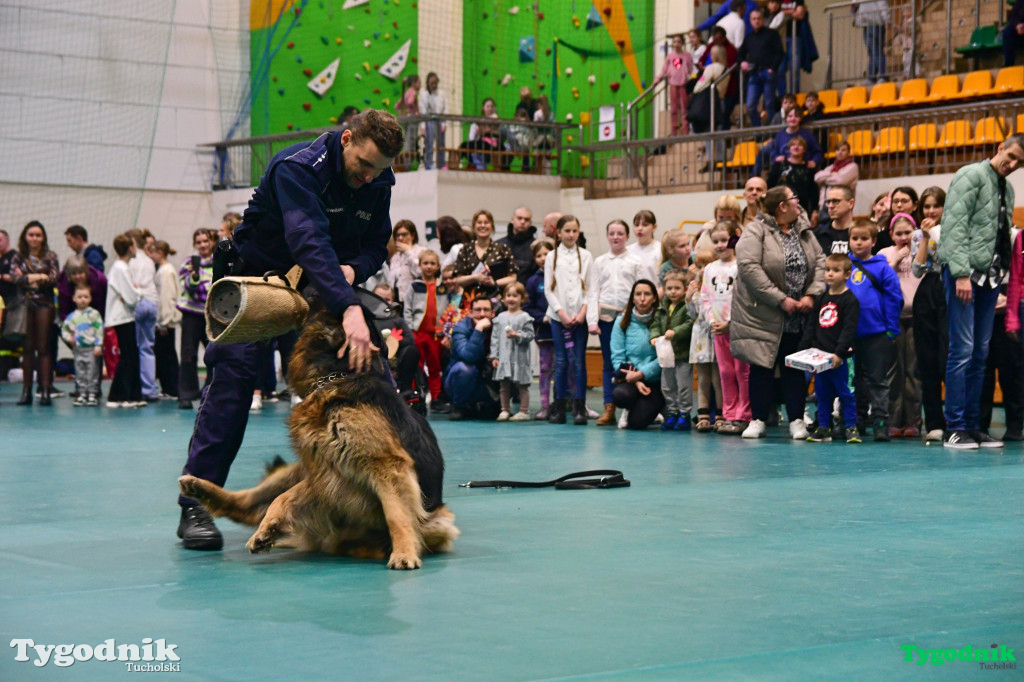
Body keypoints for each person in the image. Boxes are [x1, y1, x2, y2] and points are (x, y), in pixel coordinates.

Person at [175, 109, 404, 551]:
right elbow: (308, 240)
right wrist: (349, 308)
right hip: (259, 286)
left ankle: (401, 490)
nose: (369, 178)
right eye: (363, 165)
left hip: (321, 286)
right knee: (233, 386)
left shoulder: (378, 177)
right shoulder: (296, 168)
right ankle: (196, 504)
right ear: (346, 139)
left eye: (380, 170)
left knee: (369, 375)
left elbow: (376, 244)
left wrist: (353, 272)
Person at [938, 135, 1024, 449]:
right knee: (962, 350)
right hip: (965, 274)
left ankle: (973, 426)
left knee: (980, 353)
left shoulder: (1008, 187)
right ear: (1000, 147)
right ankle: (955, 427)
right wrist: (960, 274)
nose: (1012, 165)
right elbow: (954, 226)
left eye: (1019, 163)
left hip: (989, 279)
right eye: (1010, 157)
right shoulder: (970, 174)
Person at [730, 186, 825, 439]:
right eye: (794, 198)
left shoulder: (802, 230)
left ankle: (796, 421)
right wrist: (780, 299)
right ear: (782, 206)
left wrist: (810, 295)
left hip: (798, 314)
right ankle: (757, 419)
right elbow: (749, 268)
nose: (798, 202)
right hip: (763, 313)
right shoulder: (755, 230)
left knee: (794, 367)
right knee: (762, 366)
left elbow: (821, 262)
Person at [847, 219, 903, 442]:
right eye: (854, 238)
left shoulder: (882, 268)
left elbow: (894, 299)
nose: (858, 243)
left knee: (878, 380)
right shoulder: (844, 266)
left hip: (877, 334)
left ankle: (880, 422)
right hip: (849, 335)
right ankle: (856, 420)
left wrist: (891, 329)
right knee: (853, 380)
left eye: (863, 239)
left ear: (873, 241)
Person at [589, 220, 644, 426]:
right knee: (608, 362)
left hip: (629, 319)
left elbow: (641, 290)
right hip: (606, 319)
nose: (615, 237)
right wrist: (592, 321)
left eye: (620, 233)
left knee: (632, 361)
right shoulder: (600, 262)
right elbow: (593, 292)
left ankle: (633, 407)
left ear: (627, 236)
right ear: (607, 236)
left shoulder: (635, 262)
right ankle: (609, 406)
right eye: (611, 233)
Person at [802, 254, 861, 443]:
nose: (830, 274)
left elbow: (849, 329)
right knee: (822, 394)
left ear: (846, 274)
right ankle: (823, 427)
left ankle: (851, 427)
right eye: (827, 270)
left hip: (842, 358)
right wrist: (804, 347)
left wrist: (839, 353)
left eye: (835, 271)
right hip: (821, 358)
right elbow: (812, 324)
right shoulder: (821, 299)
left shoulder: (850, 300)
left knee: (847, 393)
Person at [701, 221, 750, 434]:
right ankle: (729, 414)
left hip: (738, 329)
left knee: (742, 371)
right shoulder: (710, 269)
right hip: (717, 329)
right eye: (716, 241)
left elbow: (745, 299)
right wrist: (712, 321)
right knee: (726, 372)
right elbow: (705, 297)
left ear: (735, 238)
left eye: (724, 240)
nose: (720, 245)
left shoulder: (741, 267)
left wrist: (731, 322)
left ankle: (744, 414)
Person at [545, 215, 594, 425]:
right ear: (558, 232)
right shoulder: (551, 257)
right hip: (559, 317)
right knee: (562, 361)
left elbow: (591, 288)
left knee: (579, 362)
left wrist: (583, 312)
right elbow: (548, 289)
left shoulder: (586, 256)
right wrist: (561, 313)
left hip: (580, 318)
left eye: (575, 231)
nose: (571, 235)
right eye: (567, 231)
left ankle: (579, 406)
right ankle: (559, 407)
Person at [879, 214, 922, 438]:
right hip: (892, 319)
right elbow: (877, 278)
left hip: (916, 318)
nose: (904, 237)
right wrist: (896, 261)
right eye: (899, 234)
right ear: (891, 235)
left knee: (913, 371)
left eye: (908, 233)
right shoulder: (884, 254)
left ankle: (914, 421)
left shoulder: (921, 250)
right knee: (894, 372)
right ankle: (893, 420)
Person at [910, 186, 947, 442]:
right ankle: (934, 422)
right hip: (927, 291)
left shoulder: (954, 229)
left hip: (951, 288)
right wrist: (925, 236)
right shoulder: (916, 235)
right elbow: (916, 269)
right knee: (928, 360)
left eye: (936, 205)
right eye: (927, 206)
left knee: (948, 358)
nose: (931, 211)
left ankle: (958, 419)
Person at [10, 221, 59, 406]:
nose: (34, 238)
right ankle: (26, 392)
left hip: (45, 305)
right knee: (28, 349)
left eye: (38, 235)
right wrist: (39, 277)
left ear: (43, 237)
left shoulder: (51, 256)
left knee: (44, 348)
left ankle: (45, 390)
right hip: (24, 305)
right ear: (25, 236)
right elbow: (15, 278)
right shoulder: (18, 257)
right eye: (31, 235)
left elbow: (53, 278)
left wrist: (28, 277)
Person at [611, 280, 665, 430]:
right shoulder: (621, 322)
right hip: (631, 379)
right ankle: (629, 408)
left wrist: (642, 374)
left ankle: (657, 409)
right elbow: (617, 358)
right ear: (632, 298)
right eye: (638, 294)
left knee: (637, 423)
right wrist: (636, 380)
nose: (642, 299)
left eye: (647, 294)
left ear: (654, 298)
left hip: (655, 381)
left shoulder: (662, 321)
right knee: (620, 395)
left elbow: (664, 357)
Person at [404, 249, 450, 411]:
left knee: (435, 366)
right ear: (420, 265)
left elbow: (449, 309)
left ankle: (436, 398)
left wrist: (445, 330)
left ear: (438, 266)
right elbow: (407, 308)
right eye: (425, 263)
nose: (429, 267)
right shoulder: (415, 286)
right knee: (415, 365)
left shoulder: (443, 287)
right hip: (418, 332)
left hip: (435, 335)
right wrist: (410, 327)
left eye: (432, 263)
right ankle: (415, 396)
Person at [176, 228, 215, 410]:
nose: (203, 245)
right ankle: (186, 394)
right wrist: (194, 276)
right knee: (188, 354)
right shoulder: (188, 264)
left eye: (205, 241)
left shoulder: (219, 261)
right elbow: (189, 287)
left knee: (213, 354)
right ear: (195, 245)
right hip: (192, 315)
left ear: (212, 242)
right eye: (199, 242)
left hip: (212, 315)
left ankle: (210, 391)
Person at [651, 269, 695, 430]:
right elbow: (655, 325)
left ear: (684, 289)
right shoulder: (663, 307)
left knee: (683, 386)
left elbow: (690, 324)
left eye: (677, 288)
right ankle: (672, 412)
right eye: (669, 288)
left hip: (682, 354)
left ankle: (684, 413)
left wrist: (675, 332)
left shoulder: (686, 307)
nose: (672, 292)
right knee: (667, 386)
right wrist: (654, 337)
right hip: (666, 356)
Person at [445, 295, 499, 420]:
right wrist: (478, 329)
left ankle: (493, 404)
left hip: (486, 380)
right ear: (470, 313)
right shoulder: (460, 328)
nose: (482, 314)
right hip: (460, 381)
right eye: (478, 310)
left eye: (486, 310)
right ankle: (460, 406)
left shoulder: (499, 327)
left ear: (493, 313)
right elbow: (468, 357)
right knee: (465, 369)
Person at [105, 233, 143, 409]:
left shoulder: (122, 267)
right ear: (130, 248)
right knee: (128, 357)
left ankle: (132, 395)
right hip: (121, 318)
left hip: (126, 317)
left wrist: (135, 292)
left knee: (131, 355)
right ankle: (119, 396)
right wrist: (138, 293)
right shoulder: (120, 268)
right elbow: (131, 297)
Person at [689, 249, 724, 431]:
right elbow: (692, 314)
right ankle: (702, 414)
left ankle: (720, 413)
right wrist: (689, 298)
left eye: (706, 265)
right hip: (701, 337)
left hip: (716, 333)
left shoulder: (718, 287)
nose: (702, 270)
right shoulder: (695, 288)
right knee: (703, 378)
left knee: (718, 378)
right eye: (699, 266)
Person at [453, 209, 518, 306]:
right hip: (470, 302)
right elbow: (459, 279)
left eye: (486, 222)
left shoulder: (502, 249)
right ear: (474, 226)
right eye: (479, 222)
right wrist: (476, 277)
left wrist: (494, 282)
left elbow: (513, 278)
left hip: (496, 301)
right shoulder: (465, 250)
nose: (482, 225)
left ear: (492, 226)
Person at [490, 282, 535, 421]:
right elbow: (495, 338)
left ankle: (524, 411)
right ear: (503, 298)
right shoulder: (500, 318)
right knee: (504, 385)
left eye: (515, 296)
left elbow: (530, 335)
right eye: (508, 295)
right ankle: (504, 410)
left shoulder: (525, 317)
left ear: (522, 298)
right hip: (504, 356)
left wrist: (517, 335)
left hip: (519, 357)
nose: (511, 299)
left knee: (522, 385)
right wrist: (494, 356)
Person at [126, 229, 159, 402]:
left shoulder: (129, 261)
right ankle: (149, 389)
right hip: (152, 303)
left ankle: (135, 388)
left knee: (133, 348)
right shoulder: (149, 260)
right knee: (147, 348)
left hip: (138, 303)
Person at [525, 238, 555, 420]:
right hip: (544, 332)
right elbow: (528, 306)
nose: (543, 258)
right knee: (545, 368)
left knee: (567, 367)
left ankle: (568, 402)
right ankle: (545, 405)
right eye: (539, 255)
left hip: (565, 328)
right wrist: (542, 317)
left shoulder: (562, 276)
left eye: (546, 254)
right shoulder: (533, 281)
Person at [739, 7, 783, 128]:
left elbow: (780, 52)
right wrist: (742, 62)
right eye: (754, 19)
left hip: (768, 73)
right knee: (750, 105)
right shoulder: (748, 38)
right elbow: (740, 54)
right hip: (754, 74)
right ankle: (758, 130)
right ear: (750, 20)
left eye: (759, 19)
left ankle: (770, 131)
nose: (756, 21)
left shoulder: (772, 34)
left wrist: (772, 68)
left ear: (763, 20)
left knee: (769, 104)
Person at [148, 240, 181, 400]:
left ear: (159, 253)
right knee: (164, 355)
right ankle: (169, 387)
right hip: (163, 321)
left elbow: (167, 298)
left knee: (167, 356)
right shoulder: (163, 270)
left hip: (166, 322)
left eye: (152, 252)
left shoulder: (165, 271)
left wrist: (164, 321)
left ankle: (173, 388)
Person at [61, 286, 104, 406]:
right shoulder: (71, 317)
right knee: (80, 372)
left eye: (86, 297)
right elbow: (64, 329)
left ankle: (92, 393)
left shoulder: (94, 314)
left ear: (90, 298)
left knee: (92, 372)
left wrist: (98, 345)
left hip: (91, 349)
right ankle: (82, 393)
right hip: (78, 350)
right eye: (80, 297)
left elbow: (99, 329)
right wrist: (69, 338)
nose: (83, 300)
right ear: (74, 299)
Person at [768, 136, 818, 215]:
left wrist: (815, 211)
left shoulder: (809, 167)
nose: (796, 147)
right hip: (780, 208)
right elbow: (770, 184)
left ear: (804, 149)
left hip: (802, 209)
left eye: (800, 145)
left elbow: (814, 191)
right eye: (793, 145)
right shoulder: (779, 164)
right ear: (789, 149)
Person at [656, 34, 694, 136]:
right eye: (675, 42)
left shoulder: (687, 56)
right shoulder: (670, 56)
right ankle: (674, 131)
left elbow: (690, 70)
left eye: (679, 42)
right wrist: (657, 79)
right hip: (673, 84)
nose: (676, 44)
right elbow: (664, 70)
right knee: (673, 109)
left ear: (682, 43)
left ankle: (686, 130)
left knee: (684, 108)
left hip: (683, 85)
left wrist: (688, 78)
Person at [814, 142, 858, 224]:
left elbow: (840, 181)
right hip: (825, 204)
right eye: (838, 150)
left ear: (848, 153)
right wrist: (832, 175)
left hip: (842, 205)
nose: (840, 152)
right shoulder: (831, 167)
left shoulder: (852, 166)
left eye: (843, 150)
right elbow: (817, 177)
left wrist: (826, 178)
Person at [496, 206, 538, 285]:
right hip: (501, 293)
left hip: (526, 293)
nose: (522, 222)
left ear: (530, 222)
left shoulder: (535, 247)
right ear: (512, 219)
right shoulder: (499, 245)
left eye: (526, 219)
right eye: (519, 218)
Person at [388, 220, 424, 302]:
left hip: (414, 299)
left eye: (404, 234)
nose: (400, 238)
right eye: (398, 235)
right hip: (396, 299)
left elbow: (420, 273)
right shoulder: (395, 257)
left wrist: (409, 252)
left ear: (413, 235)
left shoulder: (421, 251)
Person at [853, 0, 889, 84]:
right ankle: (871, 77)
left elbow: (883, 4)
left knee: (876, 50)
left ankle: (882, 76)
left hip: (875, 22)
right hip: (866, 23)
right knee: (871, 51)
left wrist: (887, 19)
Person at [460, 98, 500, 170]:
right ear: (483, 108)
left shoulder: (494, 117)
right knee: (464, 145)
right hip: (481, 142)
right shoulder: (480, 120)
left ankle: (471, 163)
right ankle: (469, 163)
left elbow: (488, 127)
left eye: (491, 106)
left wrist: (482, 128)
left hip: (491, 144)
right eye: (487, 106)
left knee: (469, 145)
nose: (490, 108)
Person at [418, 72, 446, 170]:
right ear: (428, 83)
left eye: (435, 83)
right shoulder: (424, 94)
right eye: (432, 83)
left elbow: (444, 109)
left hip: (439, 121)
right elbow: (422, 111)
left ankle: (441, 164)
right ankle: (429, 164)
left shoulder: (441, 94)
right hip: (429, 121)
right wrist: (423, 127)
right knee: (429, 143)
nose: (434, 85)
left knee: (441, 144)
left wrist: (443, 124)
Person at [628, 210, 662, 283]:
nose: (640, 228)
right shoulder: (628, 250)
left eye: (645, 225)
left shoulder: (660, 249)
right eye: (636, 225)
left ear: (654, 227)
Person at [394, 74, 420, 168]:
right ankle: (407, 165)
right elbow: (410, 102)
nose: (420, 85)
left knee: (407, 141)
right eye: (419, 82)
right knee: (411, 142)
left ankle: (406, 164)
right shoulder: (413, 92)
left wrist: (402, 114)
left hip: (407, 119)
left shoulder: (406, 93)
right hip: (412, 119)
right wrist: (415, 110)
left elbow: (397, 106)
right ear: (413, 83)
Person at [1004, 0, 1024, 66]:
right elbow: (1012, 16)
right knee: (1008, 32)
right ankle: (1009, 64)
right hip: (1020, 28)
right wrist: (1017, 25)